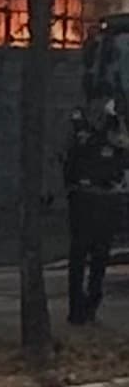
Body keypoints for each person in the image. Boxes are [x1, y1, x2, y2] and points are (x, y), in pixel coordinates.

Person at [63, 91, 129, 327]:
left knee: (100, 256)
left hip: (107, 199)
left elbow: (122, 148)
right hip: (83, 198)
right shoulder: (80, 127)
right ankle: (77, 309)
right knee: (80, 254)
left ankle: (91, 306)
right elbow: (73, 155)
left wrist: (115, 122)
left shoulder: (114, 127)